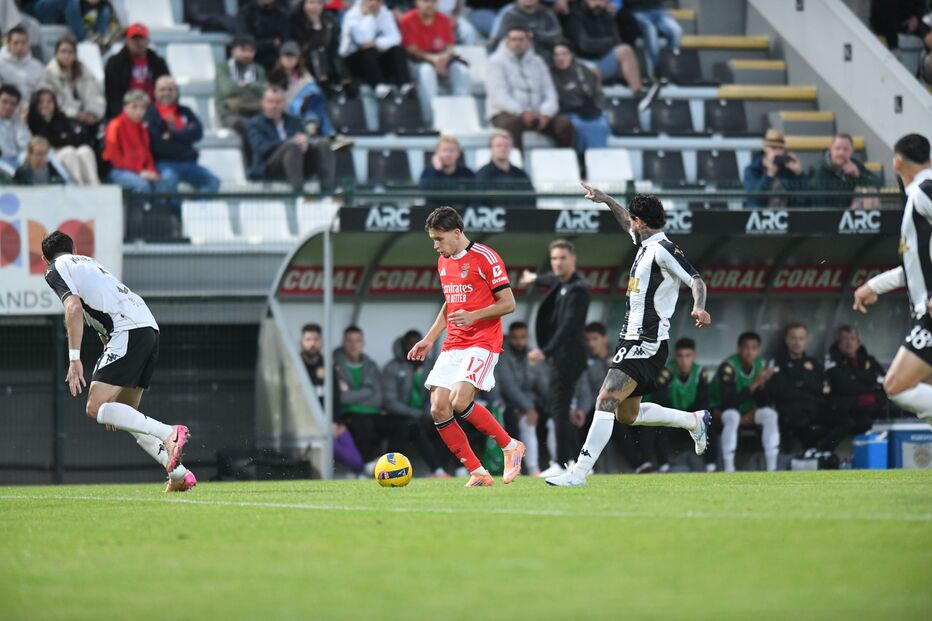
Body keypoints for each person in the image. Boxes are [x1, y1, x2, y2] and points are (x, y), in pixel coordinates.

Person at [546, 187, 712, 486]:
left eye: (633, 219)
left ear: (641, 221)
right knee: (627, 414)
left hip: (646, 341)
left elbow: (696, 279)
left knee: (605, 399)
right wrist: (607, 200)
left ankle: (578, 473)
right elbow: (625, 221)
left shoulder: (663, 249)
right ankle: (694, 421)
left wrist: (699, 307)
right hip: (633, 340)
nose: (630, 224)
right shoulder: (644, 242)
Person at [40, 230, 196, 492]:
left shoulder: (55, 269)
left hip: (127, 330)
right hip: (148, 327)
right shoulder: (90, 264)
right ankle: (179, 474)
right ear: (74, 249)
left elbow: (73, 308)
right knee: (125, 413)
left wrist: (74, 359)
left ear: (45, 259)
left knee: (94, 407)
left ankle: (169, 432)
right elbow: (103, 324)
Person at [406, 206, 526, 487]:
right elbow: (450, 304)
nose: (436, 246)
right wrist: (429, 338)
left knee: (459, 401)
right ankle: (478, 472)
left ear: (457, 233)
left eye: (439, 239)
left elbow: (508, 303)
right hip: (454, 343)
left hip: (483, 341)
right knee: (438, 408)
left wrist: (474, 316)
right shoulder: (443, 262)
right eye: (433, 240)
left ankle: (511, 446)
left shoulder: (485, 258)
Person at [853, 133, 932, 425]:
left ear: (896, 163)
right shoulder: (917, 196)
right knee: (924, 387)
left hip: (928, 315)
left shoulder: (924, 192)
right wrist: (873, 286)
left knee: (897, 385)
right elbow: (915, 266)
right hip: (922, 312)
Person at [521, 240, 590, 477]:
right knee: (559, 409)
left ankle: (562, 463)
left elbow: (568, 326)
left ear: (573, 260)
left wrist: (546, 351)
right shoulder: (561, 283)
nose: (557, 263)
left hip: (568, 357)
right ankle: (578, 462)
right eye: (554, 258)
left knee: (559, 409)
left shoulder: (578, 290)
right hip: (560, 356)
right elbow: (549, 279)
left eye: (562, 258)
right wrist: (533, 279)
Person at [574, 320, 655, 474]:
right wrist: (582, 410)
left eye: (594, 338)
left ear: (604, 339)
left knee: (643, 421)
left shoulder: (620, 356)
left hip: (622, 405)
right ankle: (586, 466)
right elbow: (585, 390)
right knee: (608, 418)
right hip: (595, 408)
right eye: (588, 340)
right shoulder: (584, 362)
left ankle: (647, 463)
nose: (591, 344)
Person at [486, 26, 575, 152]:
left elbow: (550, 93)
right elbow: (499, 96)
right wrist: (522, 112)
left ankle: (563, 161)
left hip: (537, 113)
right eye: (513, 39)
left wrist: (545, 114)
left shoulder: (538, 62)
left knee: (563, 124)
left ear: (528, 41)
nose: (517, 43)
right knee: (513, 125)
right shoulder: (496, 62)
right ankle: (517, 163)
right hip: (505, 113)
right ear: (507, 41)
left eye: (521, 39)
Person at [382, 329, 450, 477]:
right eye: (410, 344)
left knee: (448, 424)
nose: (415, 348)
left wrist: (428, 413)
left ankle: (445, 468)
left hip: (425, 415)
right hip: (397, 416)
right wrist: (418, 414)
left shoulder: (431, 365)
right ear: (404, 346)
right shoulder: (393, 367)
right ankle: (394, 470)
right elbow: (390, 402)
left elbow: (438, 393)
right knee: (409, 425)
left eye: (417, 344)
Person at [566, 0, 657, 110]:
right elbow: (584, 45)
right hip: (583, 61)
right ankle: (597, 108)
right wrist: (608, 42)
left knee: (625, 50)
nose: (600, 4)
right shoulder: (575, 14)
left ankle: (639, 94)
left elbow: (617, 40)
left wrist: (606, 43)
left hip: (602, 58)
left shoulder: (605, 14)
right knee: (594, 71)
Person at [711, 331, 780, 472]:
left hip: (746, 412)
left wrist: (764, 385)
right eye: (746, 348)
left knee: (770, 415)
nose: (750, 352)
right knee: (733, 416)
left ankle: (772, 467)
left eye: (754, 348)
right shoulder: (728, 367)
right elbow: (729, 402)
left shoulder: (760, 365)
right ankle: (729, 468)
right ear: (739, 349)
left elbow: (765, 401)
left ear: (759, 351)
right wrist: (756, 383)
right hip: (719, 410)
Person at [245, 86, 336, 191]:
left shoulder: (294, 121)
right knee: (292, 145)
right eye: (270, 102)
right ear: (263, 103)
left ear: (284, 104)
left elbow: (303, 139)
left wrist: (306, 144)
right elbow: (261, 148)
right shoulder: (255, 124)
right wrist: (289, 142)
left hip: (299, 163)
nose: (274, 106)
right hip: (269, 167)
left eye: (278, 102)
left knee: (323, 143)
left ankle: (328, 191)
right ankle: (298, 193)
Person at [144, 76, 221, 200]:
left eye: (171, 89)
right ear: (155, 92)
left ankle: (195, 209)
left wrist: (172, 135)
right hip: (163, 163)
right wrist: (185, 135)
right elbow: (157, 143)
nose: (167, 93)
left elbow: (198, 133)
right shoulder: (150, 114)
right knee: (168, 181)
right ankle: (174, 212)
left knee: (213, 182)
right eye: (162, 90)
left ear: (177, 91)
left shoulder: (185, 111)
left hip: (188, 162)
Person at [399, 0, 470, 125]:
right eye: (425, 1)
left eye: (433, 1)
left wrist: (444, 58)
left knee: (461, 71)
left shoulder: (443, 19)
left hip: (441, 58)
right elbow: (411, 50)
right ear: (417, 3)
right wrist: (433, 59)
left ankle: (462, 117)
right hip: (416, 61)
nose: (429, 5)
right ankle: (431, 120)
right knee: (427, 71)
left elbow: (450, 46)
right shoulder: (407, 20)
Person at [647, 337, 711, 472]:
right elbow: (660, 400)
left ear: (694, 356)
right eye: (680, 356)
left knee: (709, 421)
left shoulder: (700, 373)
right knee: (657, 424)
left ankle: (711, 465)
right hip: (671, 418)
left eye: (688, 356)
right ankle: (663, 466)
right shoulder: (666, 373)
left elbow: (703, 402)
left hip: (691, 417)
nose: (684, 361)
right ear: (675, 357)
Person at [497, 321, 549, 476]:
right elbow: (508, 387)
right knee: (525, 421)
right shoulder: (503, 355)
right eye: (515, 337)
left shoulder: (532, 354)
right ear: (509, 338)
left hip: (529, 402)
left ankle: (559, 463)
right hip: (507, 403)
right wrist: (528, 408)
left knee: (553, 418)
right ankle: (530, 468)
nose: (519, 341)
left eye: (523, 337)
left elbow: (540, 385)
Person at [768, 323, 828, 453]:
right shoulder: (778, 363)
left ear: (807, 341)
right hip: (790, 411)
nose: (797, 342)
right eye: (793, 338)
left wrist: (802, 382)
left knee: (843, 420)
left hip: (813, 409)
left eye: (801, 338)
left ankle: (824, 453)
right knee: (800, 421)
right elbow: (781, 391)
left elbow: (824, 388)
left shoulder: (813, 363)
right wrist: (809, 388)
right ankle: (811, 453)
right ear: (786, 340)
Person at [102, 90, 172, 202]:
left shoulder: (142, 128)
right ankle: (138, 214)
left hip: (139, 171)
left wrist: (152, 172)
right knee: (142, 186)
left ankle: (158, 213)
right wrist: (140, 171)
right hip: (117, 171)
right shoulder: (115, 125)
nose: (139, 112)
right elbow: (115, 158)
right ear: (125, 107)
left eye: (142, 108)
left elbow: (147, 155)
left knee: (162, 184)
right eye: (134, 107)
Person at [824, 325, 887, 450]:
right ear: (838, 343)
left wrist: (859, 379)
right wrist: (872, 385)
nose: (849, 343)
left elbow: (884, 380)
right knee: (860, 422)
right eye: (844, 339)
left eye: (852, 338)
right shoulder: (833, 361)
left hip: (872, 406)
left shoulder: (868, 360)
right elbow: (844, 386)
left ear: (858, 343)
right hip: (846, 408)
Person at [333, 325, 385, 464]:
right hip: (347, 414)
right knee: (362, 424)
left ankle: (393, 465)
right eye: (349, 340)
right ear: (343, 343)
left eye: (357, 340)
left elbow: (378, 399)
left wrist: (352, 395)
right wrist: (367, 391)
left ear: (363, 343)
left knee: (401, 425)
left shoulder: (371, 365)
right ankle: (366, 465)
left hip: (373, 412)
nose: (353, 345)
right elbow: (341, 398)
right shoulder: (334, 366)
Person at [339, 0, 411, 98]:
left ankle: (405, 85)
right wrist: (369, 16)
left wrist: (377, 43)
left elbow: (396, 38)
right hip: (353, 61)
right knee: (368, 51)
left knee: (397, 50)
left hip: (376, 57)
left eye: (378, 1)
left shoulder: (384, 13)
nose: (374, 3)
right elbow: (364, 40)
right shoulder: (352, 15)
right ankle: (378, 86)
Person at [550, 43, 611, 159]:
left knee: (601, 123)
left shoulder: (582, 70)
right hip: (567, 112)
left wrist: (596, 107)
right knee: (579, 126)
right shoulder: (550, 75)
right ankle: (581, 159)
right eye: (557, 55)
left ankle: (598, 160)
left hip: (589, 111)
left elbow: (596, 93)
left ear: (571, 55)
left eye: (564, 54)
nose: (560, 58)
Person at [27, 87, 99, 184]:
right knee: (69, 152)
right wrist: (61, 139)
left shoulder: (61, 118)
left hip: (65, 150)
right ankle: (78, 185)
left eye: (49, 102)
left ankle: (95, 184)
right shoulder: (31, 121)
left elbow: (73, 139)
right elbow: (42, 142)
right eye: (41, 102)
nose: (45, 105)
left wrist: (60, 141)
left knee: (85, 150)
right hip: (49, 156)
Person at [267, 41, 338, 139]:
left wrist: (305, 99)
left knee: (318, 98)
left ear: (298, 59)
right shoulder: (274, 77)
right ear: (280, 58)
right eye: (286, 56)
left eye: (292, 56)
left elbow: (314, 92)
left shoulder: (304, 76)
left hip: (306, 108)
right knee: (316, 106)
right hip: (285, 110)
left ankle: (312, 123)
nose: (289, 59)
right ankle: (328, 132)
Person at [44, 36, 104, 141]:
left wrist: (92, 112)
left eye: (70, 52)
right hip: (64, 117)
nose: (66, 55)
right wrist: (76, 114)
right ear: (56, 53)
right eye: (63, 51)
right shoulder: (49, 74)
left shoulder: (83, 70)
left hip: (86, 114)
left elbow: (94, 95)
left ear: (75, 55)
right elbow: (56, 103)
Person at [103, 23, 170, 119]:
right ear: (127, 41)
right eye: (134, 39)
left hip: (154, 111)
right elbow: (112, 95)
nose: (138, 42)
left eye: (141, 39)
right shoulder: (115, 63)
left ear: (147, 41)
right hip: (126, 112)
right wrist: (123, 116)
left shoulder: (158, 62)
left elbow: (168, 88)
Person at [289, 0, 352, 96]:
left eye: (319, 3)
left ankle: (346, 84)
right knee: (318, 53)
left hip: (328, 54)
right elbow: (305, 43)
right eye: (311, 3)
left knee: (336, 55)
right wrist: (315, 25)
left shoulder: (328, 19)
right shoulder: (296, 20)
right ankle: (324, 85)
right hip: (306, 56)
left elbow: (333, 41)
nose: (315, 6)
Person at [809, 133, 883, 209]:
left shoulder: (855, 165)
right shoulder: (819, 170)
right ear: (831, 150)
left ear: (851, 151)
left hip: (853, 212)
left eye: (845, 149)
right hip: (829, 214)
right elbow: (818, 204)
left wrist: (858, 175)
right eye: (838, 148)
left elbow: (878, 184)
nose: (841, 153)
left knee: (870, 191)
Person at [743, 129, 810, 208]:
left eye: (780, 148)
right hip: (762, 215)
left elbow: (805, 199)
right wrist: (769, 175)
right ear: (765, 147)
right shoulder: (752, 170)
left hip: (787, 214)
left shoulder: (788, 170)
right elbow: (755, 199)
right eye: (773, 148)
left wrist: (799, 173)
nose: (777, 152)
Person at [215, 34, 268, 134]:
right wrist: (253, 88)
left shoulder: (258, 69)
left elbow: (264, 91)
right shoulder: (223, 67)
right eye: (243, 50)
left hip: (255, 111)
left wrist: (247, 85)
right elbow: (228, 90)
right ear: (233, 51)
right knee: (248, 126)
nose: (247, 54)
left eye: (251, 51)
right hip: (230, 114)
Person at [475, 130, 534, 207]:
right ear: (491, 148)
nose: (503, 149)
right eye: (499, 145)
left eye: (506, 145)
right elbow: (478, 201)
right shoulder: (483, 174)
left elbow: (531, 199)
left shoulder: (520, 174)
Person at [626, 0, 682, 75]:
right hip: (637, 10)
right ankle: (656, 68)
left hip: (657, 10)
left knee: (676, 30)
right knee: (651, 30)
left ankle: (670, 61)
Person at [419, 133, 475, 208]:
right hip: (435, 213)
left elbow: (475, 199)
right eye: (444, 150)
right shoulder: (428, 173)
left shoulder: (467, 174)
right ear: (437, 152)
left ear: (458, 153)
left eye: (452, 150)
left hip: (460, 214)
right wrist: (437, 171)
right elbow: (424, 192)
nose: (448, 154)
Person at [23, 0, 114, 43]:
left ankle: (100, 37)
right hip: (36, 10)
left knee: (103, 8)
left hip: (61, 14)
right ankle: (84, 38)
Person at [494, 0, 562, 57]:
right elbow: (500, 41)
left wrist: (536, 35)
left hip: (546, 60)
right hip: (517, 61)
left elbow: (558, 37)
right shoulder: (510, 15)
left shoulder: (546, 14)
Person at [236, 0, 290, 71]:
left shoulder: (282, 14)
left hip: (277, 63)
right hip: (252, 61)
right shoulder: (246, 12)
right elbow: (245, 42)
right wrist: (271, 43)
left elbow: (285, 42)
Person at [0, 26, 45, 102]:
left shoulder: (38, 66)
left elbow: (41, 92)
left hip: (31, 107)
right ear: (9, 44)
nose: (20, 46)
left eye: (24, 42)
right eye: (16, 43)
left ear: (28, 44)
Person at [0, 84, 31, 174]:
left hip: (17, 162)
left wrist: (22, 123)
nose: (8, 107)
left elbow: (25, 145)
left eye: (12, 104)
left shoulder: (18, 122)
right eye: (4, 102)